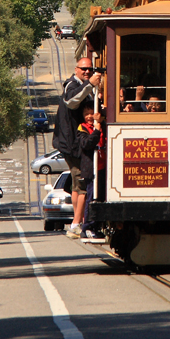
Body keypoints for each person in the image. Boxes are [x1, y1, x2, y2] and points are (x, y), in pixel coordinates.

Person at [52, 56, 101, 237]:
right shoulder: (72, 85)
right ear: (76, 69)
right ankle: (76, 224)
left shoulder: (80, 84)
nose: (87, 71)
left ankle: (77, 220)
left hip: (72, 143)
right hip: (73, 144)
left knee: (75, 185)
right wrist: (89, 85)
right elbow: (71, 101)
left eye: (89, 69)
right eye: (84, 69)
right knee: (82, 183)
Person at [76, 100, 106, 241]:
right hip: (91, 168)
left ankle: (97, 226)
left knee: (101, 198)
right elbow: (87, 144)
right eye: (86, 114)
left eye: (91, 113)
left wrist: (100, 125)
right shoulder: (82, 128)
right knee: (91, 197)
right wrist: (96, 130)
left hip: (103, 166)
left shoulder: (102, 125)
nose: (89, 116)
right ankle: (87, 227)